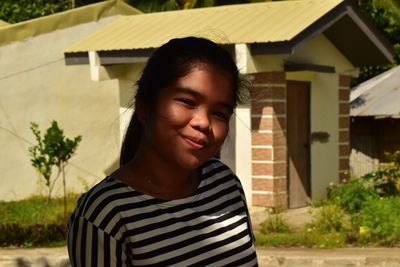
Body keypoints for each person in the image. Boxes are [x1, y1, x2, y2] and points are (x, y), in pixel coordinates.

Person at [67, 36, 258, 266]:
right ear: (145, 106)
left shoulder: (225, 184)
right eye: (187, 101)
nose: (203, 122)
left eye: (219, 113)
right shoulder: (104, 215)